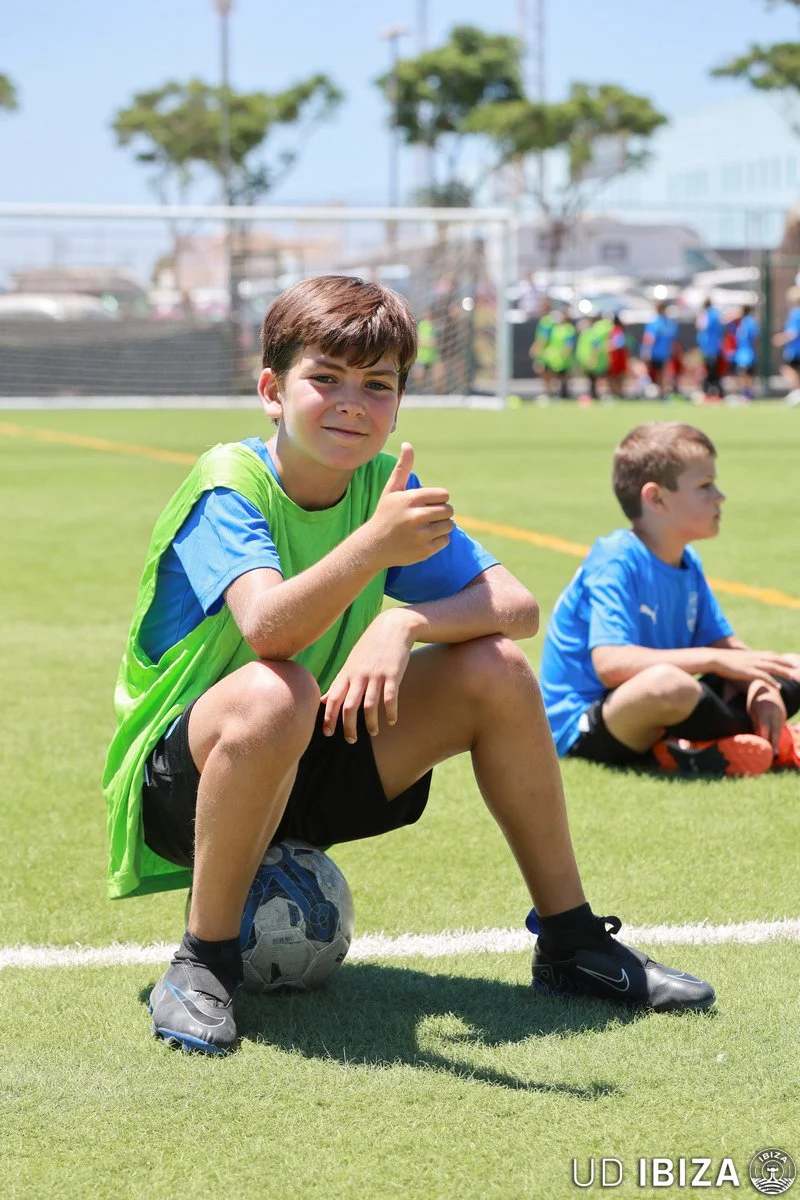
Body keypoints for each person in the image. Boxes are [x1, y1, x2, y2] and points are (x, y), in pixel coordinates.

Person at [103, 278, 715, 1055]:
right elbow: (266, 630)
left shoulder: (383, 487)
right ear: (272, 391)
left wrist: (405, 622)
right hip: (188, 781)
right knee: (275, 688)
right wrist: (374, 547)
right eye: (326, 378)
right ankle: (203, 961)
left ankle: (571, 942)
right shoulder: (229, 486)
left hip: (303, 756)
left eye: (377, 385)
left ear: (397, 405)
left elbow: (516, 606)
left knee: (495, 667)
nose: (351, 403)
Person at [540, 421, 800, 777]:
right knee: (667, 684)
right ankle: (759, 739)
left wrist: (759, 686)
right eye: (705, 486)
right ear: (657, 499)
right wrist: (716, 661)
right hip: (586, 722)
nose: (720, 496)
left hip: (662, 712)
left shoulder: (687, 562)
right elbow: (610, 663)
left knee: (791, 667)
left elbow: (727, 646)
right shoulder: (616, 558)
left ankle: (717, 743)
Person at [640, 301, 680, 399]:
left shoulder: (656, 323)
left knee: (659, 374)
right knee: (660, 374)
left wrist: (645, 352)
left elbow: (649, 339)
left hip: (658, 353)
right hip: (663, 353)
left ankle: (662, 393)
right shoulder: (668, 323)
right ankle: (662, 393)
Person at [771, 287, 800, 407]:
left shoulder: (795, 313)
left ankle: (797, 392)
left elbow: (793, 332)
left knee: (787, 369)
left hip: (795, 349)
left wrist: (780, 338)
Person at [695, 298, 724, 401]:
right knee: (714, 372)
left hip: (708, 349)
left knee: (709, 372)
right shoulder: (716, 314)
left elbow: (701, 326)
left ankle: (708, 392)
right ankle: (717, 392)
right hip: (715, 348)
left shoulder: (705, 315)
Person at [731, 304, 759, 402]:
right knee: (743, 373)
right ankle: (745, 393)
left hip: (747, 354)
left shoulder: (749, 322)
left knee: (745, 373)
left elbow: (754, 338)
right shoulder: (740, 322)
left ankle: (747, 394)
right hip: (741, 353)